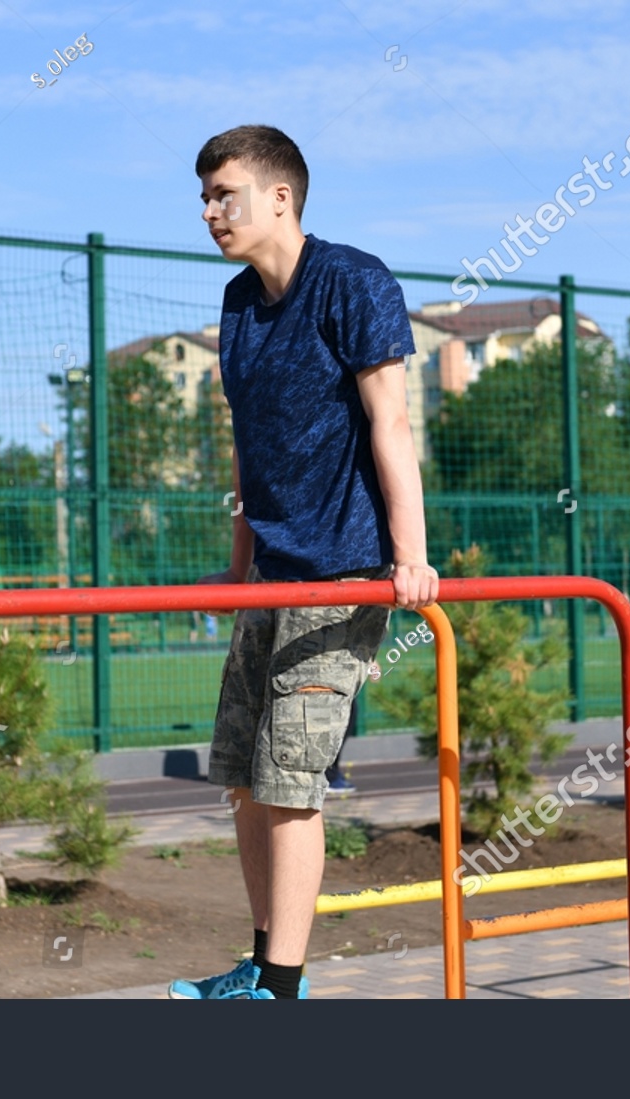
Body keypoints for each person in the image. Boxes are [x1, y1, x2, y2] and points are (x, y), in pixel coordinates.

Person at [169, 124, 438, 1000]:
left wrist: (411, 558)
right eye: (205, 196)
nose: (210, 211)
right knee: (245, 780)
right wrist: (238, 559)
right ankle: (260, 962)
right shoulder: (238, 305)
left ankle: (280, 989)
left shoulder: (353, 281)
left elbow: (391, 422)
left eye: (225, 194)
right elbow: (247, 448)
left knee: (290, 782)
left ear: (280, 197)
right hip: (271, 575)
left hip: (342, 573)